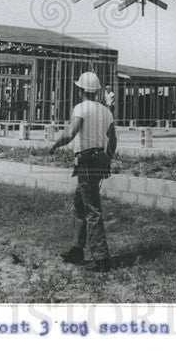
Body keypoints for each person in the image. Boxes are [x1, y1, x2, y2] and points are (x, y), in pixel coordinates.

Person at [48, 71, 116, 272]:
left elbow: (71, 133)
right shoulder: (106, 111)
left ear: (80, 90)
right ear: (96, 91)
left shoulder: (81, 108)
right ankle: (77, 249)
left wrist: (55, 145)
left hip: (86, 162)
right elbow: (113, 140)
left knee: (92, 209)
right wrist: (107, 160)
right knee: (79, 203)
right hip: (98, 159)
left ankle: (101, 257)